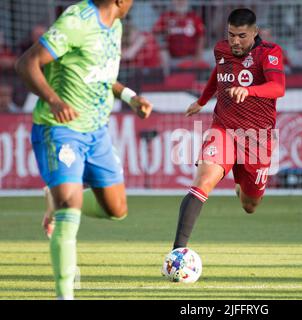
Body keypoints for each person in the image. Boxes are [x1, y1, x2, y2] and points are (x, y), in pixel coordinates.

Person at [15, 0, 153, 300]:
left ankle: (58, 198)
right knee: (70, 206)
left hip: (97, 131)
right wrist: (53, 100)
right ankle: (65, 295)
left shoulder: (114, 25)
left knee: (117, 210)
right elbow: (26, 63)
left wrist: (130, 97)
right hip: (60, 128)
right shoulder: (76, 21)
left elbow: (101, 74)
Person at [170, 8, 285, 250]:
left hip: (257, 138)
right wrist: (202, 101)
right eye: (231, 34)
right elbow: (218, 73)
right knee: (203, 181)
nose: (235, 41)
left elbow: (277, 88)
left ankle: (240, 182)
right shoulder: (221, 49)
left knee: (250, 205)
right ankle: (177, 252)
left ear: (255, 32)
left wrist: (249, 90)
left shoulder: (269, 53)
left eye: (242, 36)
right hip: (224, 128)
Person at [152, 0, 208, 72]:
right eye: (177, 0)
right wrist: (163, 46)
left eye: (183, 0)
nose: (180, 2)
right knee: (162, 54)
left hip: (191, 57)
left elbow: (201, 36)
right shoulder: (166, 16)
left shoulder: (194, 17)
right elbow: (155, 32)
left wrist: (198, 56)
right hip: (171, 58)